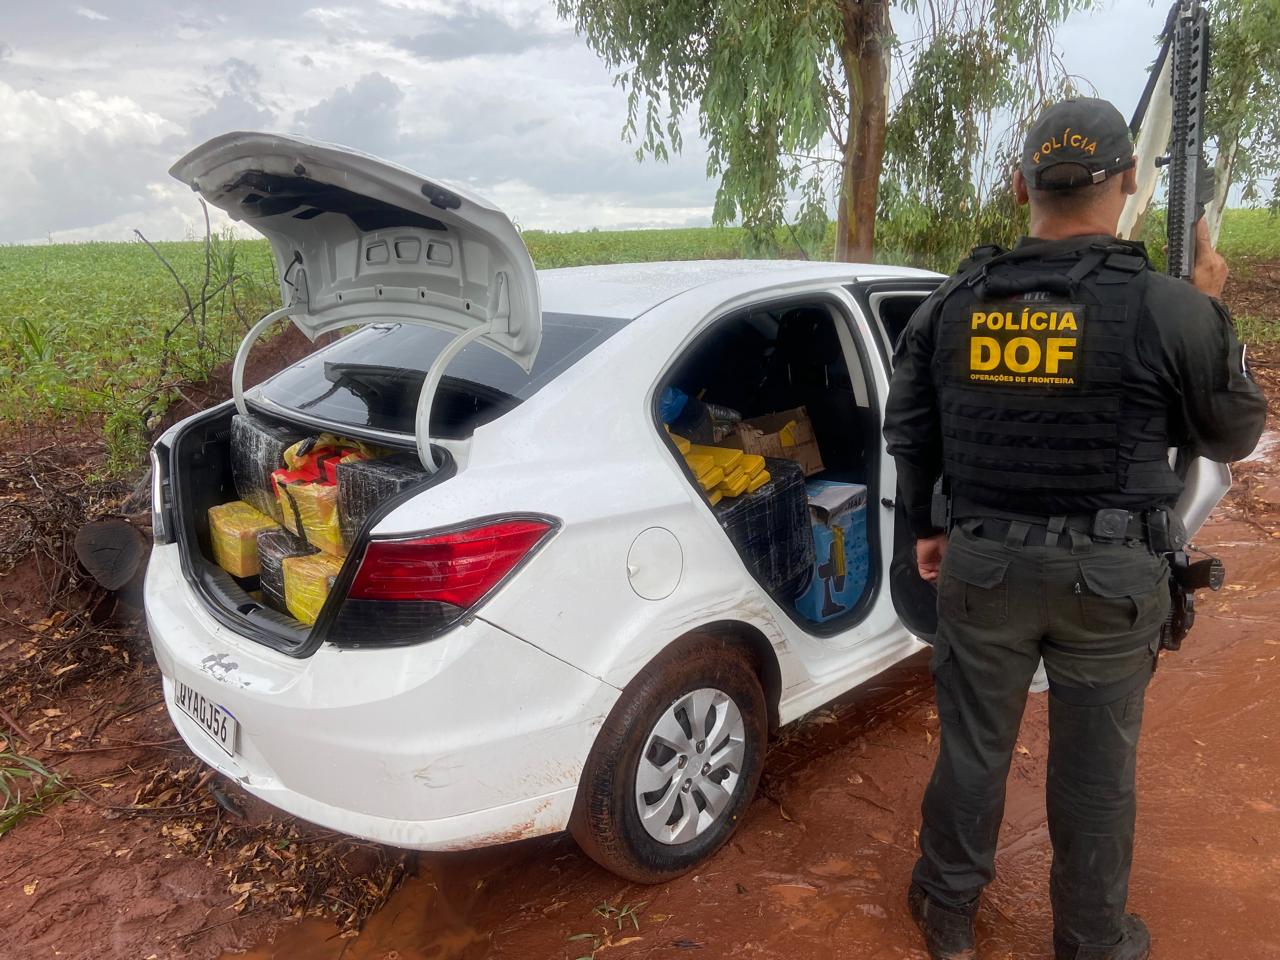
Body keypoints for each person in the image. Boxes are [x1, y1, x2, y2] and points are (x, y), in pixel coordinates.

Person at [883, 97, 1267, 960]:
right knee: (1096, 774)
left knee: (973, 752)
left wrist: (924, 531)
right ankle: (1092, 942)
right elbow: (1233, 433)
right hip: (1112, 574)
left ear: (1021, 184)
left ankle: (947, 916)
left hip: (981, 562)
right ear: (1131, 182)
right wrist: (1209, 307)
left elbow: (909, 431)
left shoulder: (954, 300)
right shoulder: (1169, 307)